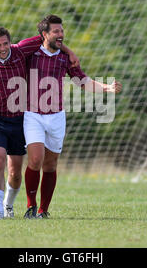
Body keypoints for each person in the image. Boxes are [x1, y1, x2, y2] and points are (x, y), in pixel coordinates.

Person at [0, 26, 79, 219]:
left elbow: (50, 38)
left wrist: (69, 51)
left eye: (6, 43)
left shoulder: (20, 50)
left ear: (10, 42)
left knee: (15, 173)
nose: (3, 48)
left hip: (19, 119)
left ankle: (8, 205)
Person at [23, 14, 122, 219]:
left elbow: (82, 80)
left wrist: (107, 88)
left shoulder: (64, 58)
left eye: (62, 31)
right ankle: (30, 206)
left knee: (50, 164)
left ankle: (43, 210)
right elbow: (18, 46)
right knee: (35, 159)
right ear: (44, 34)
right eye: (56, 31)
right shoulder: (31, 53)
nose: (61, 35)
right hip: (32, 114)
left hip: (57, 116)